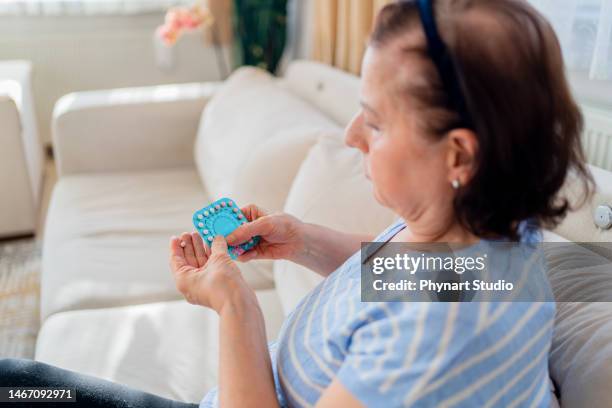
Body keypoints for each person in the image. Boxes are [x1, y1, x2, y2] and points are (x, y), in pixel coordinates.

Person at [0, 0, 593, 407]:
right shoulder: (493, 237)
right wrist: (304, 240)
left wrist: (235, 308)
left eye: (378, 123)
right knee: (22, 386)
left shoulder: (439, 337)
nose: (351, 134)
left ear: (459, 157)